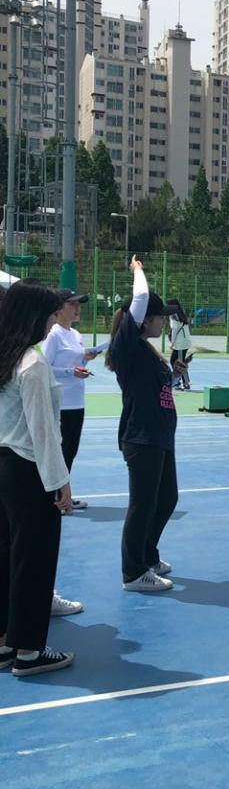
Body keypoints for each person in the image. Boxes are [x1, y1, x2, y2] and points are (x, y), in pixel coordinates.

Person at [0, 280, 75, 676]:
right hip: (28, 469)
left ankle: (4, 642)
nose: (51, 324)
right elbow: (43, 431)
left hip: (2, 466)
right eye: (48, 316)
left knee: (5, 556)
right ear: (32, 317)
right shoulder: (33, 363)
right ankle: (29, 650)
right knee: (34, 559)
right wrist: (60, 482)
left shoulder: (6, 358)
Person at [106, 255, 181, 592]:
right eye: (160, 317)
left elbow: (156, 389)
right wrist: (137, 270)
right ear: (144, 320)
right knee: (142, 505)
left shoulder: (147, 350)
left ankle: (147, 555)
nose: (164, 322)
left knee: (166, 499)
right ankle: (133, 572)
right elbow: (139, 298)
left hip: (160, 435)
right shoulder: (128, 346)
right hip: (142, 437)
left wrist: (173, 376)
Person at [41, 289, 98, 617]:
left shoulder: (75, 334)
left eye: (79, 305)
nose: (77, 309)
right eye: (72, 304)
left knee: (70, 453)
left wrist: (85, 359)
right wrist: (69, 373)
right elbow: (45, 368)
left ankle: (65, 494)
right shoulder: (52, 335)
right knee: (60, 452)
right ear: (59, 308)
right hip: (61, 402)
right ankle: (57, 496)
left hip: (77, 402)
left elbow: (74, 362)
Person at [167, 298, 193, 390]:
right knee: (175, 361)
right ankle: (178, 381)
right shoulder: (181, 314)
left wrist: (172, 343)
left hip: (180, 344)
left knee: (179, 363)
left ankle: (185, 383)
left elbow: (174, 330)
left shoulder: (173, 316)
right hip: (184, 342)